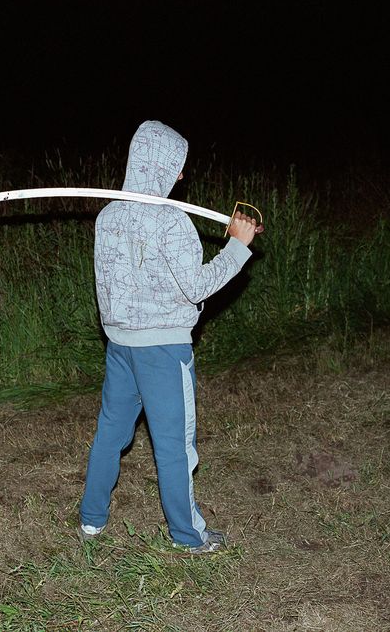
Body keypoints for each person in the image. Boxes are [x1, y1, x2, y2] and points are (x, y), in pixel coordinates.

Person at [78, 120, 259, 554]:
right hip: (162, 350)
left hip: (120, 346)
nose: (181, 175)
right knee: (175, 445)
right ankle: (188, 534)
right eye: (177, 167)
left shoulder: (107, 217)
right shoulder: (172, 222)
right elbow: (197, 287)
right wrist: (237, 247)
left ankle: (91, 520)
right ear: (160, 166)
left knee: (111, 432)